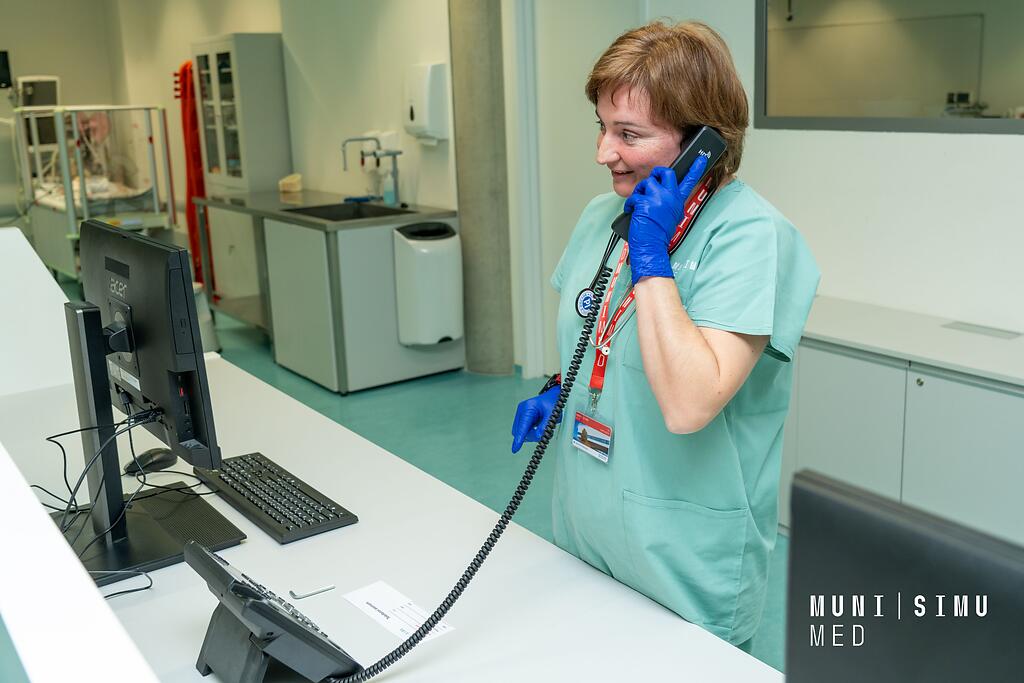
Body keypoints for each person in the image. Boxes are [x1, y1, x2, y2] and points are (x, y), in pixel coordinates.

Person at [509, 20, 820, 650]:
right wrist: (562, 387)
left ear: (701, 142)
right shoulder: (602, 215)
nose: (604, 152)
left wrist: (652, 258)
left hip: (684, 559)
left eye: (628, 134)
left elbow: (689, 403)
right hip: (586, 532)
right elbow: (600, 333)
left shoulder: (751, 237)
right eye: (602, 127)